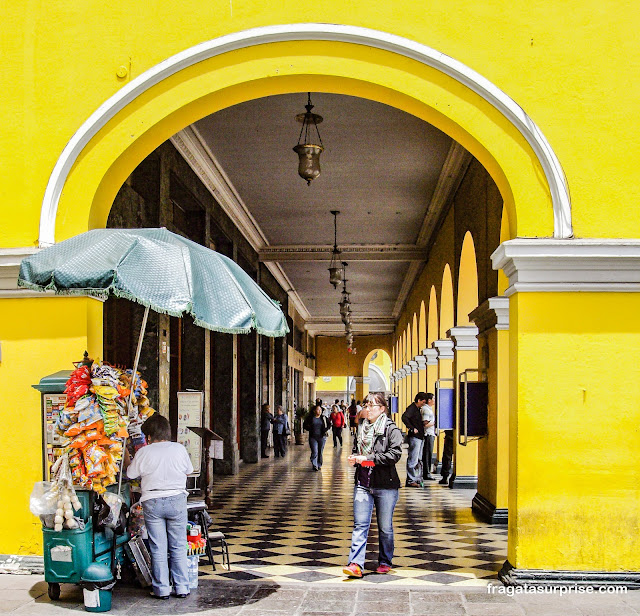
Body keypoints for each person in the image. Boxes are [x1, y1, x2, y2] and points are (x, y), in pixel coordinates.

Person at [125, 414, 193, 599]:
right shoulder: (179, 449)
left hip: (152, 501)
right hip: (177, 500)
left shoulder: (144, 452)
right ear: (168, 433)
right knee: (178, 545)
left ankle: (162, 589)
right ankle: (182, 587)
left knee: (158, 546)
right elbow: (189, 470)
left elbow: (130, 474)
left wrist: (126, 457)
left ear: (148, 437)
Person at [343, 392, 403, 578]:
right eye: (366, 405)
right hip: (363, 482)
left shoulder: (391, 429)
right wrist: (355, 458)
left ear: (382, 408)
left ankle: (385, 560)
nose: (366, 409)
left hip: (385, 485)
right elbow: (358, 450)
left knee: (385, 527)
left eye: (371, 406)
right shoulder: (362, 428)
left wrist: (366, 459)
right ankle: (355, 564)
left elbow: (394, 455)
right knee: (360, 524)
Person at [401, 392, 428, 487]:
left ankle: (416, 478)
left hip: (420, 437)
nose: (423, 404)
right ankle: (411, 480)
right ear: (419, 400)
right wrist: (412, 428)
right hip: (415, 437)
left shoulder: (417, 409)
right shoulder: (412, 408)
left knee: (418, 459)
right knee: (413, 459)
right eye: (423, 402)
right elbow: (404, 417)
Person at [303, 404, 331, 470]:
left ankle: (319, 464)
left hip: (322, 437)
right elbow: (305, 425)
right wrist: (309, 428)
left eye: (320, 410)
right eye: (318, 410)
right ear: (314, 411)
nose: (319, 411)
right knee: (315, 451)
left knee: (320, 452)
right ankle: (314, 465)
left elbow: (329, 424)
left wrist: (325, 429)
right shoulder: (310, 418)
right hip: (313, 437)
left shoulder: (323, 418)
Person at [421, 393, 436, 480]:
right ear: (429, 400)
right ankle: (426, 473)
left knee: (428, 454)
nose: (434, 400)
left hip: (430, 433)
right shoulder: (426, 410)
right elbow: (425, 423)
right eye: (433, 398)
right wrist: (435, 423)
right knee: (427, 454)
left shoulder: (428, 409)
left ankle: (427, 472)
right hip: (428, 434)